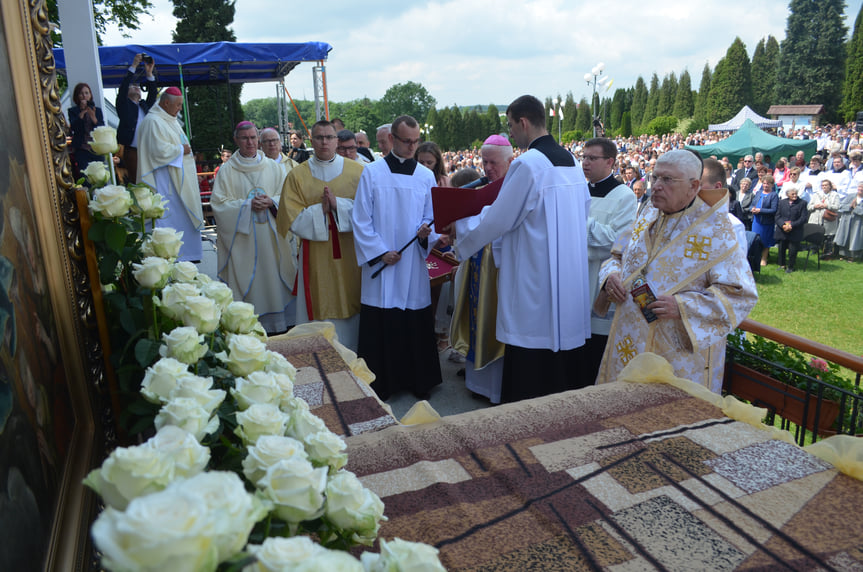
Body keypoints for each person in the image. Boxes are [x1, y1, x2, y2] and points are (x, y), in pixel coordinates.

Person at [446, 95, 591, 403]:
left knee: (531, 364)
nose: (511, 133)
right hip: (568, 281)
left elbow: (499, 218)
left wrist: (459, 226)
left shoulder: (528, 164)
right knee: (560, 364)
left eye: (511, 126)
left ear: (523, 122)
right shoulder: (573, 163)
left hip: (534, 280)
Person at [596, 150, 757, 393]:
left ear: (694, 186)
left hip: (676, 354)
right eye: (655, 178)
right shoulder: (650, 213)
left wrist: (682, 307)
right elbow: (617, 256)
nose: (656, 186)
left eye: (668, 180)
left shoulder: (718, 231)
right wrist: (611, 277)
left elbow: (739, 295)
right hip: (629, 340)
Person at [352, 115, 442, 400]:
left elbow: (432, 217)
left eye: (416, 142)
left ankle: (418, 382)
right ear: (392, 139)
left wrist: (427, 232)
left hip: (412, 262)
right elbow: (361, 219)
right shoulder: (373, 173)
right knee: (383, 317)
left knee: (413, 317)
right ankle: (383, 383)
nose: (412, 147)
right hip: (383, 263)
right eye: (406, 141)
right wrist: (380, 253)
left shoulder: (426, 176)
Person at [277, 120, 364, 349]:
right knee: (317, 301)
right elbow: (291, 217)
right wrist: (321, 210)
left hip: (352, 253)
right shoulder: (297, 176)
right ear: (311, 141)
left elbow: (370, 212)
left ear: (337, 140)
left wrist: (339, 206)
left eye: (329, 137)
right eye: (319, 137)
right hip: (315, 255)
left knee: (354, 299)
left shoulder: (359, 172)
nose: (324, 142)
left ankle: (354, 354)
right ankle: (320, 357)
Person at [210, 122, 295, 334]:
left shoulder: (275, 168)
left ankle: (281, 326)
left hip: (273, 236)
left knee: (276, 276)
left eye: (253, 138)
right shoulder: (227, 171)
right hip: (244, 241)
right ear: (237, 141)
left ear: (258, 140)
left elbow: (289, 197)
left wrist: (272, 202)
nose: (250, 142)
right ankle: (248, 324)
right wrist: (247, 205)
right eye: (245, 138)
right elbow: (219, 205)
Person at [449, 135, 514, 403]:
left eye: (493, 163)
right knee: (477, 315)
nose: (487, 168)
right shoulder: (480, 185)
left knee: (498, 320)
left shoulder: (517, 187)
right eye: (484, 162)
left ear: (510, 161)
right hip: (478, 263)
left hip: (503, 267)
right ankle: (478, 383)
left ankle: (497, 388)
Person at [577, 137, 637, 386]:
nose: (586, 162)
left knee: (593, 349)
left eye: (592, 158)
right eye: (584, 157)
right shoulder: (579, 189)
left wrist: (581, 221)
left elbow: (617, 241)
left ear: (610, 161)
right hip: (575, 275)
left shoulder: (624, 196)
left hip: (599, 276)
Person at [137, 87, 204, 262]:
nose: (180, 108)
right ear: (166, 103)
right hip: (166, 183)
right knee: (170, 219)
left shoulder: (170, 120)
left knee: (183, 219)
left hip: (179, 178)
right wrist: (182, 149)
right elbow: (157, 151)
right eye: (178, 105)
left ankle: (189, 255)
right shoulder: (153, 121)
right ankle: (173, 256)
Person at [116, 53, 157, 184]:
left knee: (150, 180)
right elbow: (122, 89)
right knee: (136, 181)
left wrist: (149, 73)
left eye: (138, 87)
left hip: (147, 150)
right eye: (132, 87)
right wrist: (133, 65)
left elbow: (153, 94)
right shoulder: (124, 105)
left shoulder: (144, 106)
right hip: (132, 150)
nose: (136, 88)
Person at [67, 82, 105, 179]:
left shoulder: (97, 110)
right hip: (82, 149)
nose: (84, 96)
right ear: (77, 96)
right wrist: (82, 112)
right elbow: (74, 128)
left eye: (87, 93)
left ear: (90, 95)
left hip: (96, 148)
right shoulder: (73, 111)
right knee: (85, 177)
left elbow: (101, 128)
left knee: (99, 177)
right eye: (81, 93)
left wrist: (93, 117)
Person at [774, 186, 808, 273]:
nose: (795, 195)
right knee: (781, 248)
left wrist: (791, 225)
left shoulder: (802, 203)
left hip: (795, 230)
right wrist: (783, 225)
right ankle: (782, 264)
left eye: (796, 194)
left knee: (792, 250)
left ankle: (791, 266)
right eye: (792, 194)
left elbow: (803, 218)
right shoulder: (782, 202)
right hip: (782, 230)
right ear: (787, 194)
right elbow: (777, 216)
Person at [750, 174, 779, 266]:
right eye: (764, 183)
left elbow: (774, 210)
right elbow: (753, 204)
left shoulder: (773, 195)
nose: (765, 185)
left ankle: (764, 258)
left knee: (765, 241)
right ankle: (755, 257)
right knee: (755, 239)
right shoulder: (759, 193)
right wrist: (752, 209)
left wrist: (760, 211)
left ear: (772, 185)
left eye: (768, 184)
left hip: (766, 222)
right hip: (756, 221)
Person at [808, 179, 841, 256]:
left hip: (828, 218)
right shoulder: (816, 194)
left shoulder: (835, 195)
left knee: (828, 235)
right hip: (816, 218)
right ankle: (814, 250)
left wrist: (827, 206)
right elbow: (809, 206)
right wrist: (815, 206)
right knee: (815, 234)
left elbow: (837, 207)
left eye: (826, 185)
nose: (824, 187)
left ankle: (827, 251)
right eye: (823, 185)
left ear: (830, 186)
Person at [834, 182, 863, 261]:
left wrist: (856, 208)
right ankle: (843, 255)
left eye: (862, 187)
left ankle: (854, 256)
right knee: (845, 237)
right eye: (860, 187)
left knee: (855, 239)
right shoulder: (851, 196)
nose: (861, 189)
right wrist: (850, 206)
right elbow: (841, 205)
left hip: (858, 222)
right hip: (847, 220)